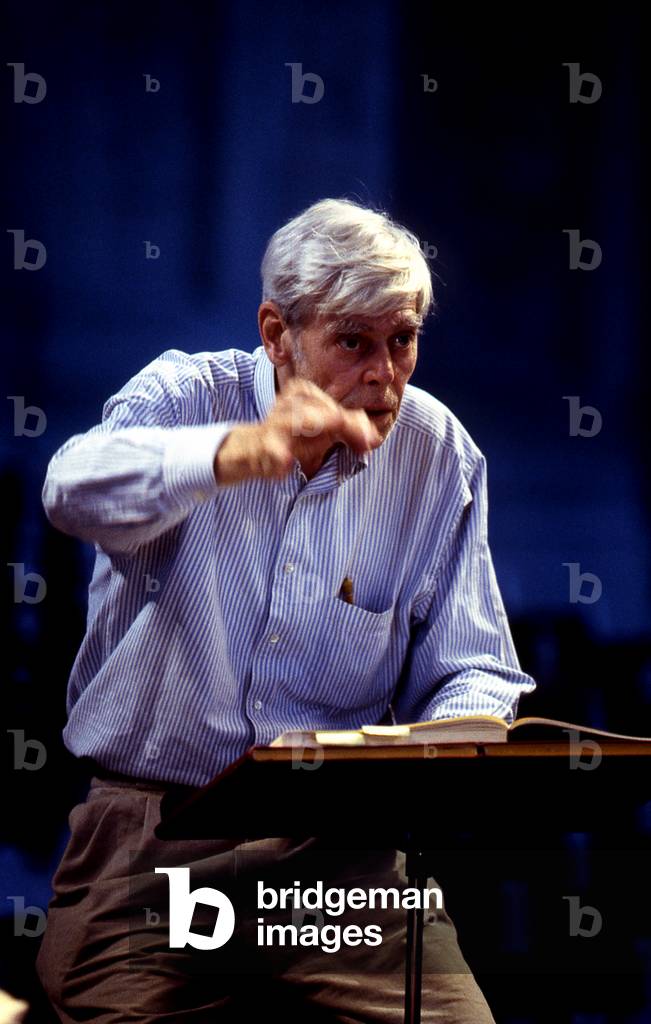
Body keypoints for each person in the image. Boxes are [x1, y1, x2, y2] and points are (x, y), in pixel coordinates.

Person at [37, 197, 536, 1023]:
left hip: (343, 860)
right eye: (352, 342)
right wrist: (236, 453)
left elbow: (473, 666)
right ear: (277, 333)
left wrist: (451, 740)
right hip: (153, 842)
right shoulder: (184, 394)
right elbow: (72, 491)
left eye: (401, 340)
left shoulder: (438, 451)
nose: (382, 374)